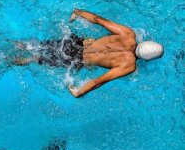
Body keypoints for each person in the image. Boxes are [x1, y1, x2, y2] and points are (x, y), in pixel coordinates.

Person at [13, 9, 164, 97]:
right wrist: (80, 92)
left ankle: (12, 44)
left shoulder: (128, 34)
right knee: (35, 59)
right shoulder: (129, 65)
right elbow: (99, 81)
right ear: (147, 59)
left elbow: (98, 20)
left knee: (34, 45)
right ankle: (9, 60)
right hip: (76, 59)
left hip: (74, 43)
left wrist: (78, 12)